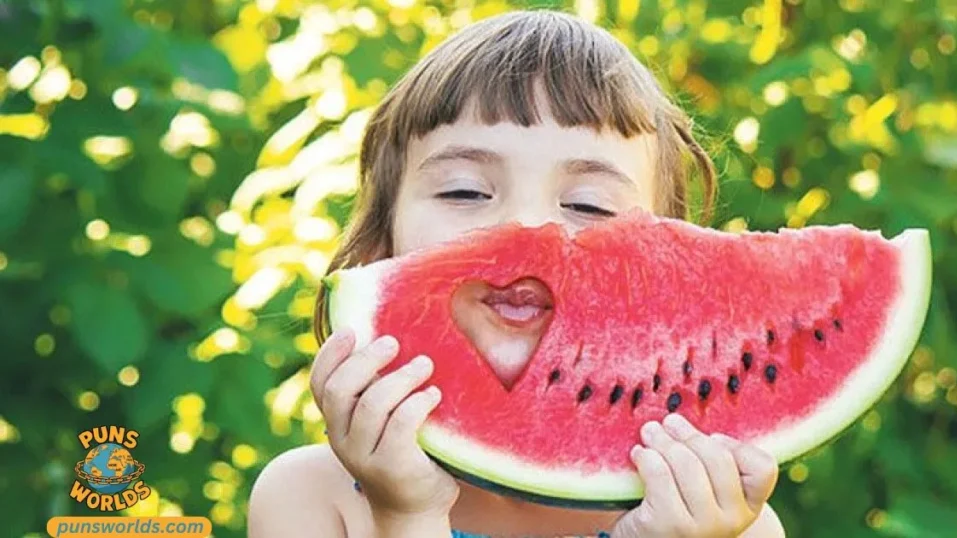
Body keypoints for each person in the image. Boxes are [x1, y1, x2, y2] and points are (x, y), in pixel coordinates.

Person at [248, 9, 785, 538]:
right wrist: (406, 517)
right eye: (465, 191)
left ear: (666, 273)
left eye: (589, 205)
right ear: (379, 244)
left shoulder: (729, 519)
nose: (528, 229)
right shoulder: (312, 498)